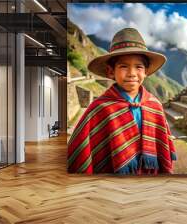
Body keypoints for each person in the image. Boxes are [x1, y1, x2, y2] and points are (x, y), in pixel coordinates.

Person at [67, 28, 177, 174]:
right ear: (111, 71)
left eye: (138, 67)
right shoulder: (100, 109)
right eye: (123, 66)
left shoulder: (154, 105)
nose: (132, 73)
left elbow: (162, 146)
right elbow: (81, 151)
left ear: (146, 71)